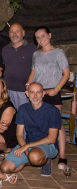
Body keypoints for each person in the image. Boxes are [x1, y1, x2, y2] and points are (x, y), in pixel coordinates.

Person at [27, 26, 70, 169]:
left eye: (43, 36)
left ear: (49, 35)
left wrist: (56, 89)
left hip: (52, 91)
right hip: (38, 92)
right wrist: (28, 85)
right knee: (40, 123)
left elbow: (66, 73)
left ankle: (62, 156)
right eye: (38, 37)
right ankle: (45, 153)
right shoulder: (36, 54)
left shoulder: (58, 53)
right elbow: (33, 72)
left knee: (57, 124)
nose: (41, 39)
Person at [0, 83, 61, 177]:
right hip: (29, 144)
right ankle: (28, 161)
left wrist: (26, 147)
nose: (35, 96)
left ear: (44, 93)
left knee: (34, 156)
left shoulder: (53, 111)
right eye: (32, 92)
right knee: (5, 168)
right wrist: (26, 150)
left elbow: (52, 139)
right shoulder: (23, 108)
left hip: (48, 145)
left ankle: (46, 160)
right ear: (27, 93)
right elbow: (19, 135)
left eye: (38, 92)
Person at [2, 23, 37, 109]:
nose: (14, 34)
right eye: (12, 32)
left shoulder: (33, 49)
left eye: (17, 31)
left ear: (23, 33)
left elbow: (37, 70)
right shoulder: (5, 49)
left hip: (25, 91)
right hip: (8, 90)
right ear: (9, 34)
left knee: (25, 117)